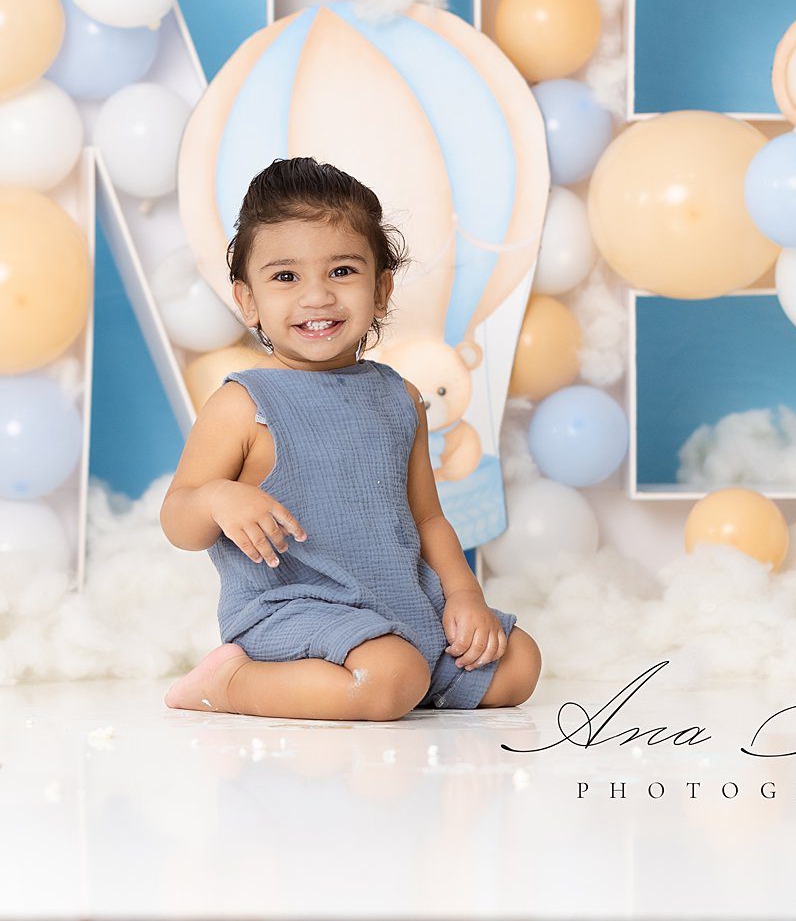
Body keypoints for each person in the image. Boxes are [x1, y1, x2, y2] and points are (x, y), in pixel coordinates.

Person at [159, 157, 541, 720]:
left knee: (520, 664)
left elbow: (428, 518)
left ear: (382, 288)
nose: (317, 297)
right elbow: (178, 519)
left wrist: (464, 596)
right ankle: (233, 681)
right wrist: (218, 496)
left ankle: (405, 676)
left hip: (398, 603)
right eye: (285, 277)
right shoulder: (244, 404)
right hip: (293, 609)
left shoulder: (399, 396)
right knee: (387, 677)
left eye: (341, 271)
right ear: (247, 300)